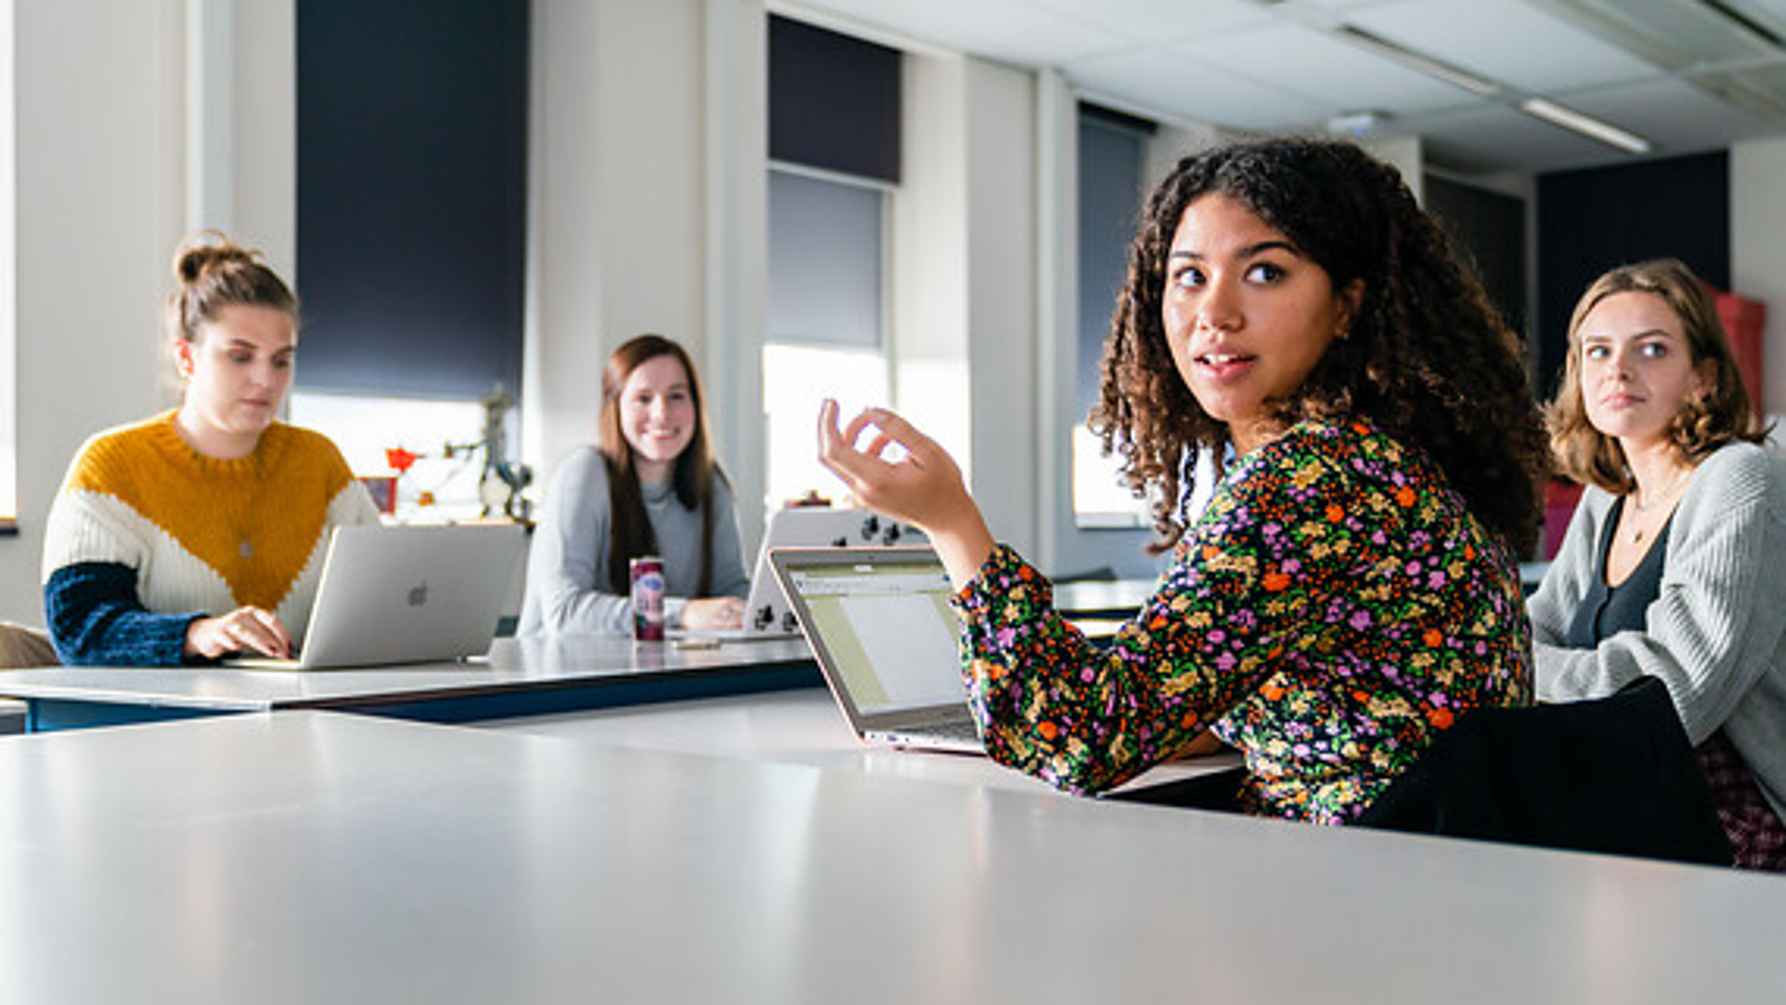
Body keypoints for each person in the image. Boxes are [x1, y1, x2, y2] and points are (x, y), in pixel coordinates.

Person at [818, 138, 1550, 824]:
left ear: (1348, 306)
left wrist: (951, 521)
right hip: (1430, 888)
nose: (1214, 313)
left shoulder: (1314, 480)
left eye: (1265, 271)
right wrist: (1161, 710)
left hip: (1355, 907)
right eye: (1190, 275)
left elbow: (1079, 740)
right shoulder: (1373, 459)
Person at [1528, 259, 1786, 870]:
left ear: (1703, 377)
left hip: (1738, 819)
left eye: (1651, 349)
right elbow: (1532, 628)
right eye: (1597, 351)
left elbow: (1674, 696)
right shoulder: (1608, 495)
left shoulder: (1736, 476)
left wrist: (1520, 670)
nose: (1617, 369)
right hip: (1626, 785)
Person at [41, 233, 380, 666]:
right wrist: (200, 634)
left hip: (305, 714)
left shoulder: (319, 462)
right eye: (240, 357)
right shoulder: (111, 467)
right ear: (187, 358)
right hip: (161, 725)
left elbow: (382, 604)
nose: (266, 379)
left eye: (281, 360)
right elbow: (81, 628)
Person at [519, 334, 748, 635]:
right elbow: (564, 613)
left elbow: (731, 592)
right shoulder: (584, 474)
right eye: (643, 398)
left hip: (661, 670)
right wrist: (684, 613)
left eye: (677, 395)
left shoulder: (711, 483)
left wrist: (754, 611)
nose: (662, 413)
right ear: (615, 408)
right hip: (564, 674)